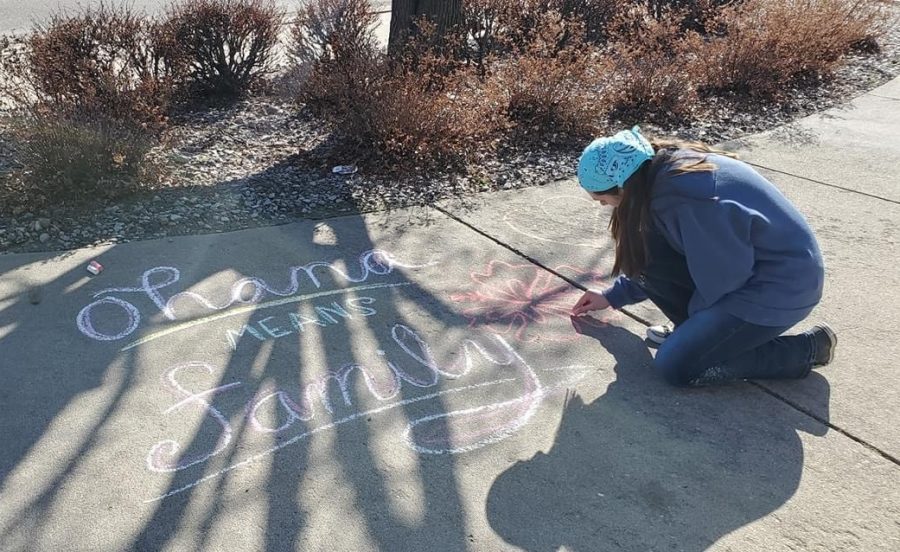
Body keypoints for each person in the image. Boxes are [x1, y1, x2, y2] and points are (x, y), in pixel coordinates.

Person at [570, 126, 836, 386]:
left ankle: (807, 349)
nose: (604, 205)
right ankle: (698, 336)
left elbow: (726, 277)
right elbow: (654, 259)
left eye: (602, 199)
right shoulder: (658, 171)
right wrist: (613, 296)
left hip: (781, 287)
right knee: (651, 243)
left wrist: (691, 334)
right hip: (755, 271)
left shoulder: (690, 200)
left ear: (622, 187)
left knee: (675, 365)